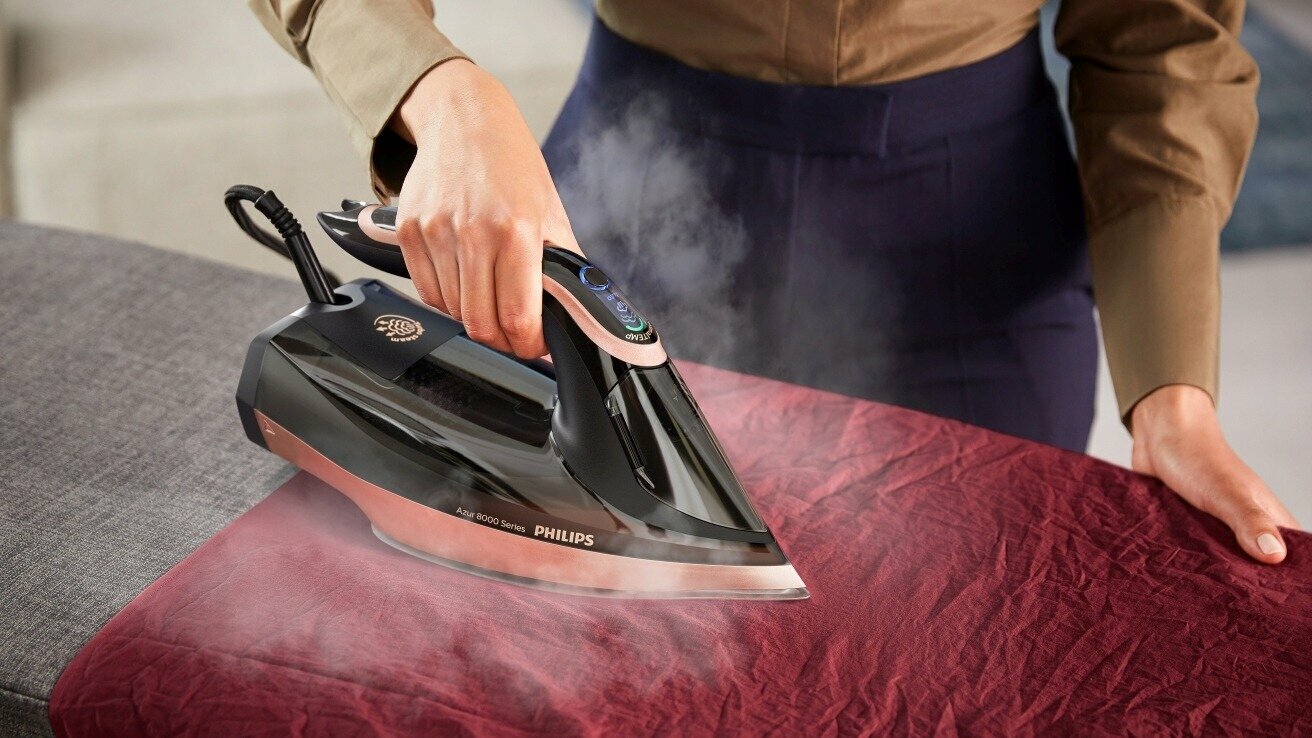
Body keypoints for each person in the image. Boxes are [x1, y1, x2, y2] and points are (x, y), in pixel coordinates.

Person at [250, 0, 1298, 563]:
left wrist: (1172, 394)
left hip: (972, 237)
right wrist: (440, 96)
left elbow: (1165, 38)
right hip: (635, 185)